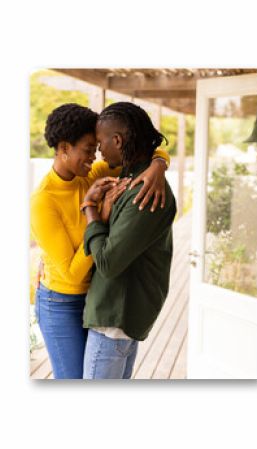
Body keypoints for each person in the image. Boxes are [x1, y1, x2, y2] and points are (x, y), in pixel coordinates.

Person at [30, 103, 170, 379]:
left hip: (93, 296)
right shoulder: (43, 201)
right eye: (87, 150)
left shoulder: (91, 175)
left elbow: (140, 148)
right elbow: (70, 275)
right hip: (61, 302)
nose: (94, 157)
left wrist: (159, 165)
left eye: (96, 149)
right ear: (64, 147)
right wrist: (99, 217)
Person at [81, 102, 176, 379]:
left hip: (114, 320)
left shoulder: (143, 191)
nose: (99, 151)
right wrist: (160, 162)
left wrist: (90, 209)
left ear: (118, 140)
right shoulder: (131, 176)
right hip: (117, 318)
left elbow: (108, 263)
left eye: (100, 143)